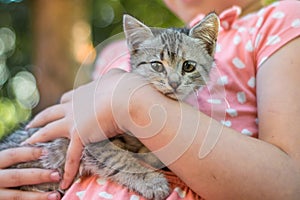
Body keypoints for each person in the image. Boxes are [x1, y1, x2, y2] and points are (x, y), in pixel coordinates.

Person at [1, 0, 300, 199]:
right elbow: (85, 139)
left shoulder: (279, 21)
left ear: (209, 48)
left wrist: (132, 101)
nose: (172, 81)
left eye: (186, 67)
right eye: (158, 67)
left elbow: (290, 184)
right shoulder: (112, 54)